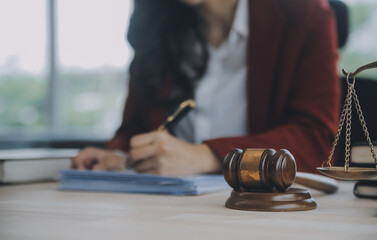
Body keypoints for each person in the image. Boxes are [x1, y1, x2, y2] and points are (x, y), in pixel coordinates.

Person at [72, 0, 340, 176]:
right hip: (161, 213)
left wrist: (208, 157)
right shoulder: (155, 23)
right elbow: (135, 128)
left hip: (262, 214)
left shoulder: (305, 15)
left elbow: (317, 142)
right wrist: (118, 156)